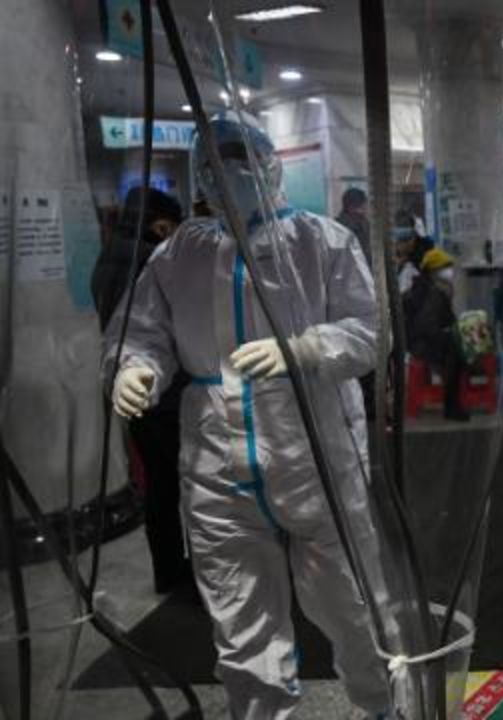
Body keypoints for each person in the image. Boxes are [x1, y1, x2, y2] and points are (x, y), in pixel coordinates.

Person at [103, 113, 389, 719]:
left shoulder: (322, 241)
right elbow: (140, 330)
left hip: (317, 456)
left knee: (356, 606)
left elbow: (370, 333)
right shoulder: (180, 251)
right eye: (212, 161)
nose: (226, 171)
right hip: (217, 464)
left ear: (269, 163)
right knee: (241, 626)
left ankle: (387, 708)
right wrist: (133, 368)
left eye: (239, 157)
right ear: (197, 174)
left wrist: (305, 348)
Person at [92, 186, 194, 596]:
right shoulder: (148, 260)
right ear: (160, 224)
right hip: (160, 394)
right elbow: (148, 333)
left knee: (159, 484)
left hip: (135, 390)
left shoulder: (109, 255)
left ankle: (169, 570)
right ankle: (178, 574)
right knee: (177, 485)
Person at [404, 248, 469, 421]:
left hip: (424, 340)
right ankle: (452, 407)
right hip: (422, 343)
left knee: (457, 353)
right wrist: (447, 337)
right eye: (444, 267)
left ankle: (454, 405)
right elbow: (428, 325)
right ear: (433, 270)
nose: (449, 271)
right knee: (456, 357)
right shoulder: (433, 292)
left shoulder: (435, 288)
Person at [335, 187, 371, 264]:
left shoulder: (363, 223)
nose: (365, 209)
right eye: (362, 206)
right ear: (351, 207)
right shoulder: (340, 227)